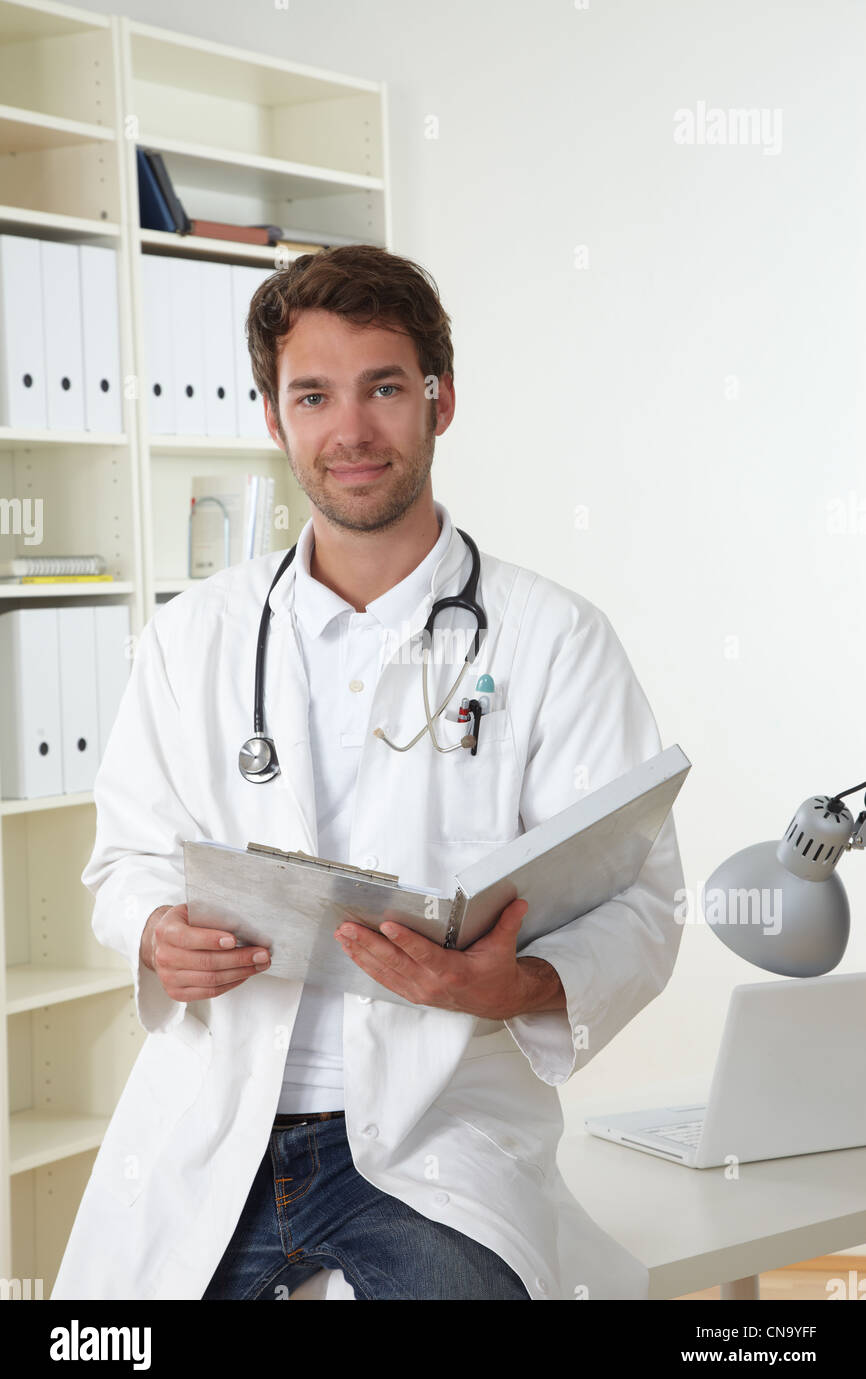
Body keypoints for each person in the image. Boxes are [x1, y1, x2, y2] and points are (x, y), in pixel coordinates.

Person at [51, 245, 686, 1302]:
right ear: (272, 417)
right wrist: (159, 932)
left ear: (439, 402)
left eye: (384, 388)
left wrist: (519, 982)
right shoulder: (190, 637)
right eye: (313, 395)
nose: (349, 431)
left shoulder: (551, 639)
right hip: (212, 1122)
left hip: (434, 1139)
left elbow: (644, 900)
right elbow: (122, 862)